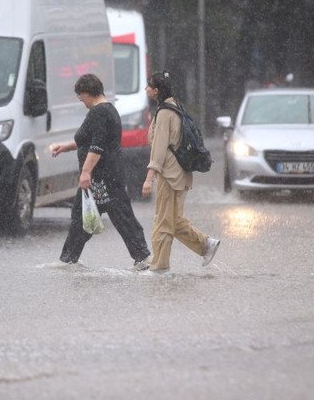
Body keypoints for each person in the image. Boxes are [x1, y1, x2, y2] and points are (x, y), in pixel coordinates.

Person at [52, 74, 152, 270]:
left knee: (119, 216)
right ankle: (69, 260)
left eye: (81, 97)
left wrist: (85, 173)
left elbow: (97, 146)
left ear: (88, 93)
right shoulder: (109, 110)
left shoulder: (99, 112)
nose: (82, 101)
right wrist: (66, 147)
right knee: (86, 218)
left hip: (101, 178)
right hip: (104, 177)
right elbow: (88, 140)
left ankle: (143, 257)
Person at [141, 70, 220, 272]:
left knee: (163, 223)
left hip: (170, 174)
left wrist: (149, 178)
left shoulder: (165, 113)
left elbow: (158, 149)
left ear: (156, 90)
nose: (146, 89)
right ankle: (206, 244)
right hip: (180, 173)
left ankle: (160, 267)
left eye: (149, 86)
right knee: (173, 221)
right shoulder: (175, 107)